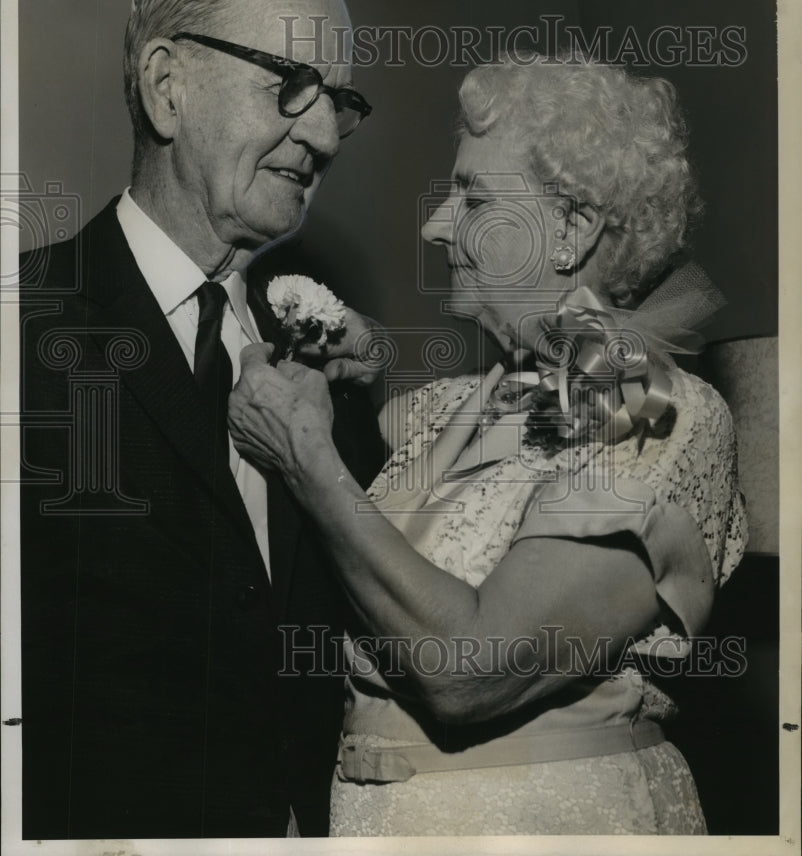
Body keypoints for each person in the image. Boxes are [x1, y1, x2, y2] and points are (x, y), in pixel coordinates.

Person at [228, 57, 748, 835]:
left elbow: (467, 671)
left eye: (471, 197)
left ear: (570, 231)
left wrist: (310, 461)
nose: (436, 225)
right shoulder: (440, 410)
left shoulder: (655, 414)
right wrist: (354, 384)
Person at [19, 0, 384, 839]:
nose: (327, 131)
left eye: (340, 99)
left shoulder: (325, 359)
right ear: (167, 86)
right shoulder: (25, 324)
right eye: (291, 83)